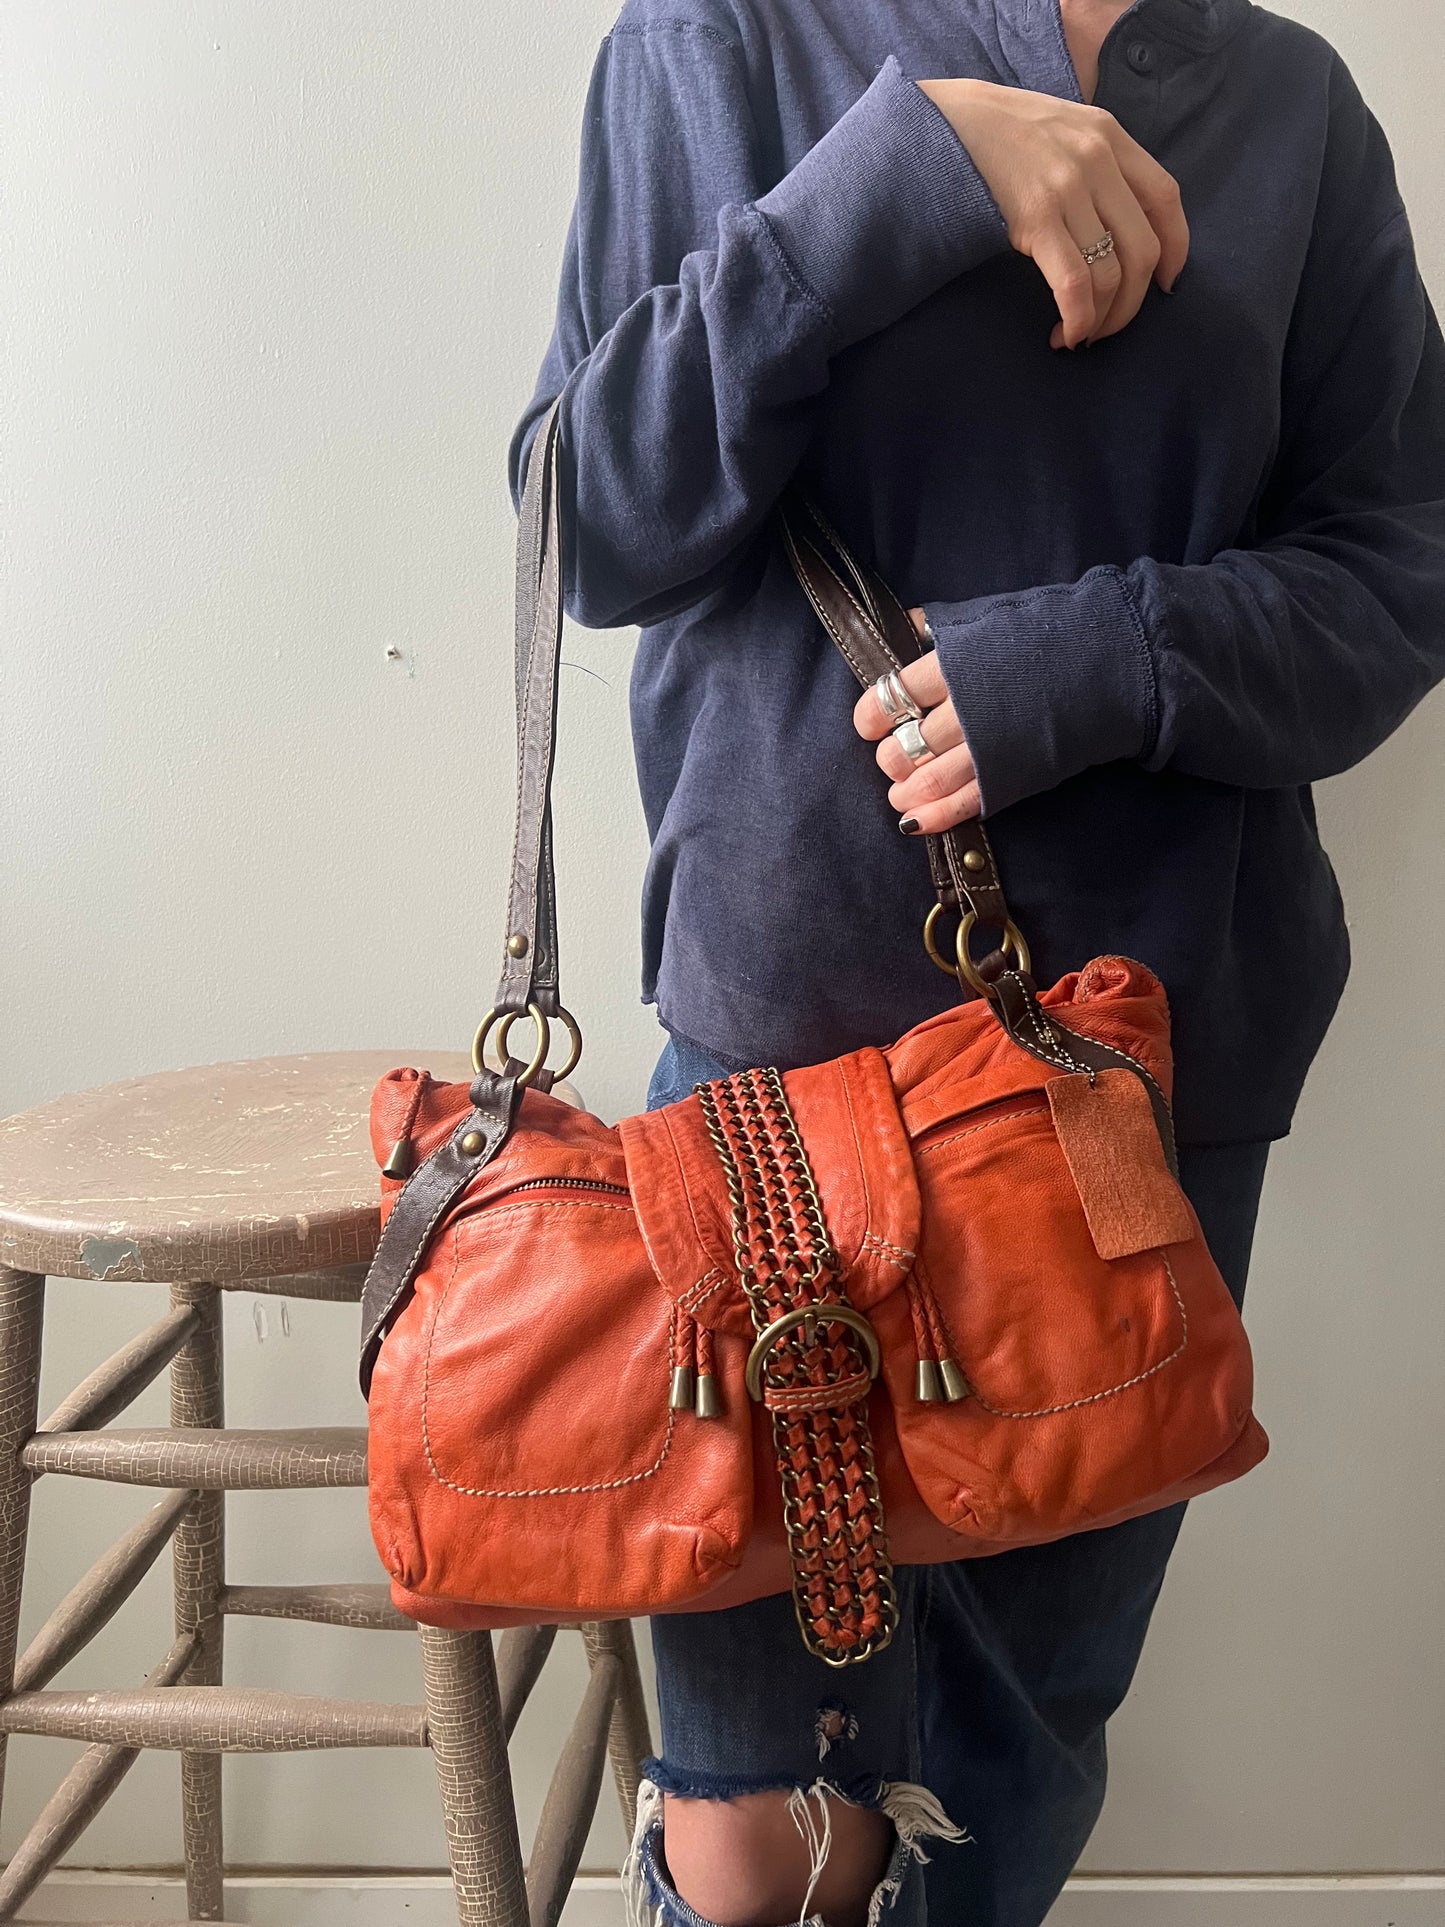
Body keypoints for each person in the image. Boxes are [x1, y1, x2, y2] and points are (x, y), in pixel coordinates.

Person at [506, 1, 1445, 1921]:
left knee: (1009, 1757)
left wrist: (1092, 663)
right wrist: (899, 171)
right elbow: (584, 519)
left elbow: (1402, 564)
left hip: (1142, 1070)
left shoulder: (1283, 102)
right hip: (782, 1069)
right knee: (749, 1819)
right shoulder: (722, 39)